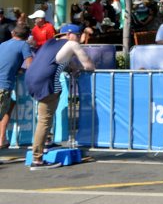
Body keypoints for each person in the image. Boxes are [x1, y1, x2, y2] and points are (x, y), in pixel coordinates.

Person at [24, 24, 94, 168]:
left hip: (31, 79)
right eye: (78, 34)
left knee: (44, 118)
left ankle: (47, 143)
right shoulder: (72, 44)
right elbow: (89, 65)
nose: (80, 38)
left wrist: (73, 67)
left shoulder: (50, 43)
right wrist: (86, 68)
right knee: (44, 120)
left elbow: (55, 62)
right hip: (47, 84)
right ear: (69, 34)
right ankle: (37, 159)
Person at [0, 25, 33, 149]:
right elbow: (30, 64)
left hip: (3, 84)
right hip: (3, 85)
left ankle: (2, 138)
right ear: (27, 37)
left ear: (13, 33)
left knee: (9, 105)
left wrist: (16, 68)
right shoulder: (24, 45)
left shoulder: (3, 44)